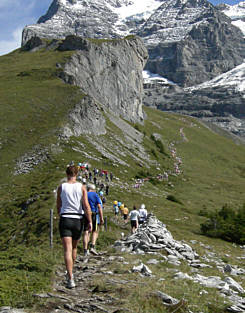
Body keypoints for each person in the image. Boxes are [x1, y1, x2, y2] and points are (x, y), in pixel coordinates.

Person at [57, 165, 92, 289]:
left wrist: (60, 215)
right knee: (74, 247)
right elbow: (86, 206)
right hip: (77, 219)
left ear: (66, 174)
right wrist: (90, 221)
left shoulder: (61, 187)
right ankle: (72, 270)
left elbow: (58, 205)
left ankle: (70, 276)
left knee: (67, 248)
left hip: (65, 218)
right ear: (76, 174)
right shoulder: (81, 187)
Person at [83, 184, 104, 256]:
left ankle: (85, 250)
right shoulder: (95, 195)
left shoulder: (84, 194)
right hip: (93, 214)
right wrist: (101, 218)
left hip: (85, 214)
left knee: (86, 232)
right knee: (95, 231)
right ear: (93, 189)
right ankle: (92, 246)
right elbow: (99, 207)